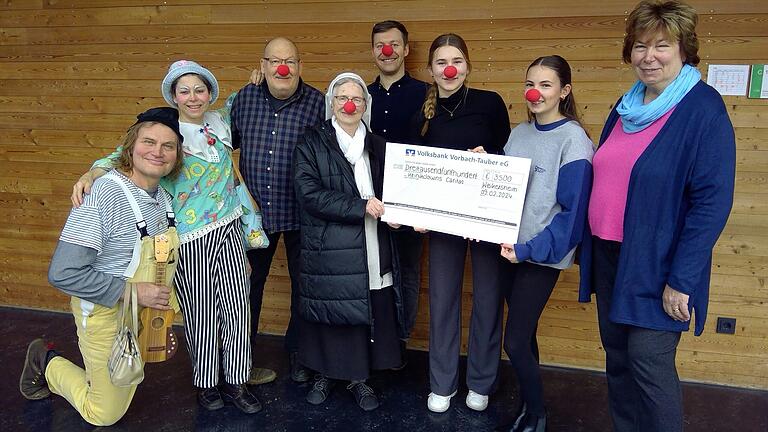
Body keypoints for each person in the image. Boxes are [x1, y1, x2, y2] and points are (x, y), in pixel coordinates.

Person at [578, 2, 735, 431]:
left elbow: (711, 202)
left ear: (684, 49)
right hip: (611, 256)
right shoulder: (626, 106)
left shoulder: (702, 108)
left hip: (659, 264)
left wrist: (682, 280)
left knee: (648, 363)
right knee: (619, 362)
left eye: (662, 46)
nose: (649, 56)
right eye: (640, 46)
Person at [71, 60, 260, 414]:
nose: (193, 97)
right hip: (188, 240)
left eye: (199, 89)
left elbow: (240, 99)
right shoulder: (166, 134)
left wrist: (256, 77)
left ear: (209, 93)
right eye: (184, 91)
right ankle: (206, 384)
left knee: (237, 311)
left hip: (230, 232)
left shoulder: (220, 122)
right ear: (174, 95)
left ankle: (237, 380)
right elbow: (121, 155)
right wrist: (90, 172)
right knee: (201, 315)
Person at [20, 107, 183, 426]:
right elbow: (63, 272)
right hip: (104, 313)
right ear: (130, 146)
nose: (157, 152)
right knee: (104, 413)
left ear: (177, 155)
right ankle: (46, 362)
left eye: (168, 146)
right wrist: (134, 292)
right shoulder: (104, 193)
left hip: (139, 312)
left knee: (125, 378)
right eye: (149, 142)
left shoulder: (163, 198)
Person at [292, 72, 405, 412]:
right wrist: (360, 206)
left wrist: (399, 215)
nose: (349, 104)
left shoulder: (379, 145)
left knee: (366, 305)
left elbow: (396, 192)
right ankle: (325, 373)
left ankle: (360, 378)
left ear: (365, 105)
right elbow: (309, 194)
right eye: (341, 97)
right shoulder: (311, 142)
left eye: (356, 98)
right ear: (332, 103)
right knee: (331, 310)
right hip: (330, 247)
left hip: (372, 241)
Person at [411, 33, 511, 413]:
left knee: (488, 297)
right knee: (443, 298)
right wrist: (416, 213)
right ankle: (441, 383)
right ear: (432, 69)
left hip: (486, 218)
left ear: (467, 65)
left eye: (456, 61)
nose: (449, 69)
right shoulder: (422, 110)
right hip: (441, 220)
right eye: (441, 62)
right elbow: (413, 166)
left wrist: (492, 156)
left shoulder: (490, 103)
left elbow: (508, 154)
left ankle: (482, 381)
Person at [496, 55, 594, 432]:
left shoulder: (574, 141)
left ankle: (537, 414)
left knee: (515, 341)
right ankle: (528, 403)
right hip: (508, 251)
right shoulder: (518, 134)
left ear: (564, 91)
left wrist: (527, 249)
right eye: (530, 84)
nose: (535, 92)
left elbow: (571, 218)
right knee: (526, 335)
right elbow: (500, 190)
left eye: (546, 85)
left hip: (539, 257)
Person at [231, 37, 325, 383]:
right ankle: (242, 360)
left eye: (289, 61)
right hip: (255, 216)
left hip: (303, 213)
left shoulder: (318, 103)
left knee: (304, 287)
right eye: (274, 61)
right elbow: (226, 142)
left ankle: (299, 355)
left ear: (300, 66)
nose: (282, 68)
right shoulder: (244, 98)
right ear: (264, 65)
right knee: (247, 288)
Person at [367, 20, 429, 362]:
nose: (386, 51)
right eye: (379, 45)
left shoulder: (426, 93)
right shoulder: (362, 95)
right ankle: (374, 340)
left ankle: (400, 342)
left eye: (393, 44)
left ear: (405, 49)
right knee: (372, 270)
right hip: (368, 199)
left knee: (406, 271)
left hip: (413, 202)